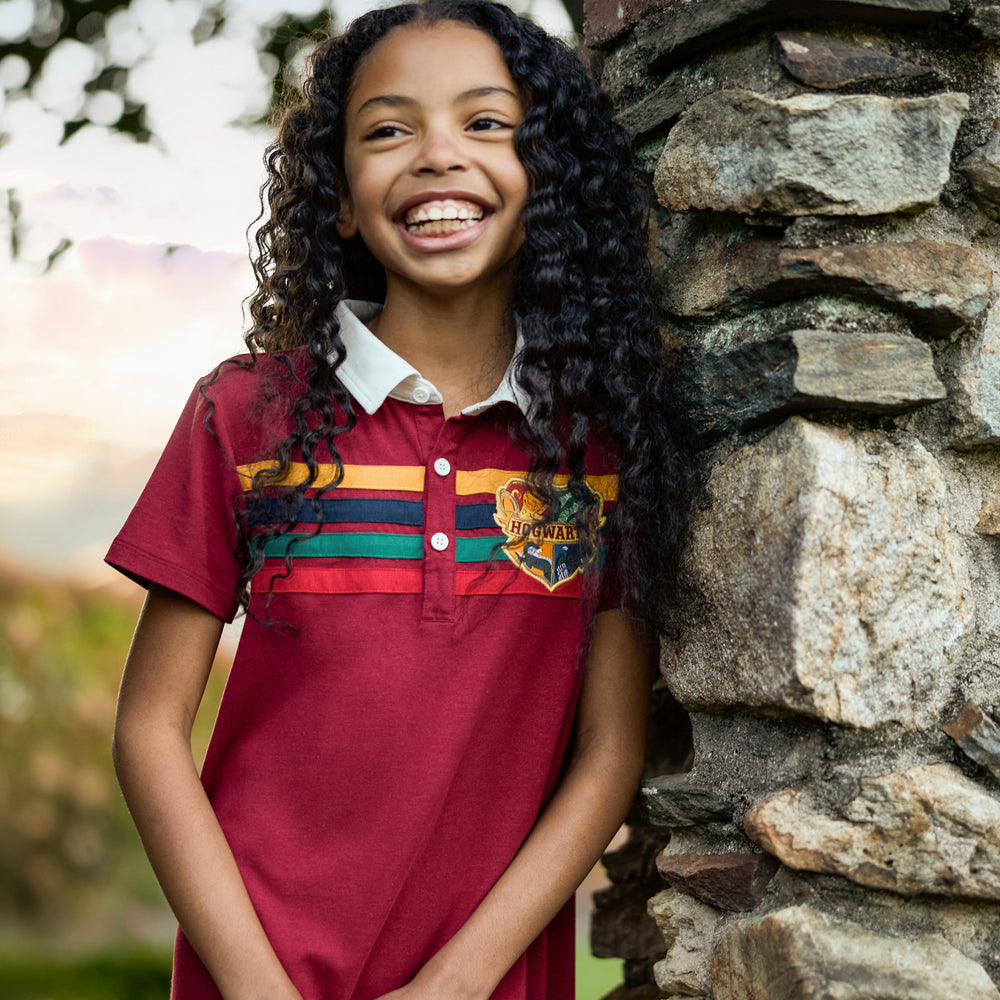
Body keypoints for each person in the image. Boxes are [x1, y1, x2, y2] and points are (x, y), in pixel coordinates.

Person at [107, 2, 684, 999]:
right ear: (338, 197)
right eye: (387, 129)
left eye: (486, 123)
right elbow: (150, 728)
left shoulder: (599, 449)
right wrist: (254, 986)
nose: (435, 155)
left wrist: (454, 983)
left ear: (547, 179)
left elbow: (610, 751)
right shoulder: (246, 417)